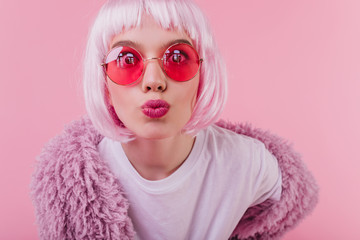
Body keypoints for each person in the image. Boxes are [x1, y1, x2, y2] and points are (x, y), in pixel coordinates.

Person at [31, 0, 318, 239]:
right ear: (103, 79)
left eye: (178, 57)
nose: (154, 82)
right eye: (127, 60)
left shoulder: (248, 163)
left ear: (203, 72)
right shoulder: (72, 188)